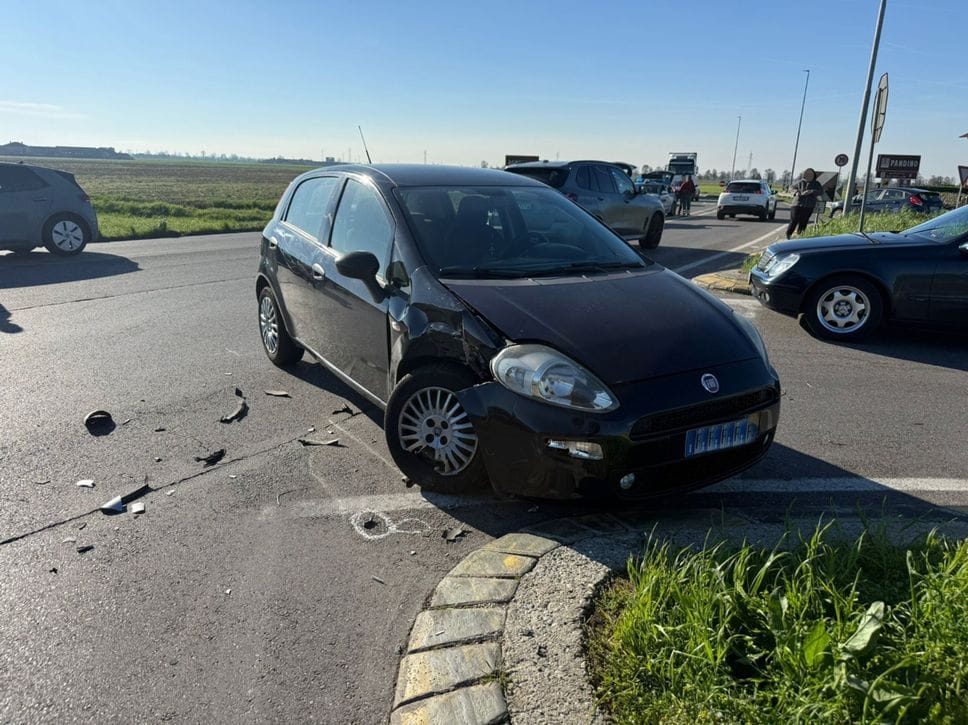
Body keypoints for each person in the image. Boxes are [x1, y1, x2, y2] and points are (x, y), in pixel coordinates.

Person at [787, 168, 823, 239]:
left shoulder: (816, 183)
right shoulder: (800, 182)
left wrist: (812, 191)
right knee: (794, 220)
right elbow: (791, 187)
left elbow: (821, 191)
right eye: (807, 174)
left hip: (809, 206)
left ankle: (800, 237)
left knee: (804, 222)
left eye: (811, 174)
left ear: (813, 175)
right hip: (797, 204)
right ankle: (788, 235)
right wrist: (796, 192)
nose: (809, 175)